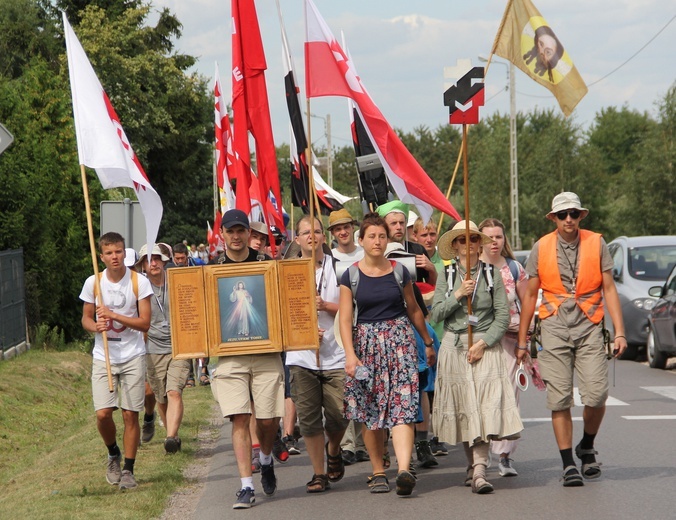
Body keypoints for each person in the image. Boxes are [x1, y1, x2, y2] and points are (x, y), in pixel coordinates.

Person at [516, 192, 628, 486]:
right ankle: (568, 464)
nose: (569, 219)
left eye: (574, 214)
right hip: (553, 326)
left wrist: (619, 332)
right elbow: (529, 294)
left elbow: (610, 289)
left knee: (597, 394)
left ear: (581, 216)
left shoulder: (596, 242)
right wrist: (522, 341)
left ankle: (586, 446)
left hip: (590, 326)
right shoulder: (541, 247)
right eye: (563, 214)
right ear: (553, 218)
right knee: (560, 398)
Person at [338, 212, 435, 497]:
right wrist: (350, 355)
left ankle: (404, 469)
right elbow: (345, 319)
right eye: (372, 236)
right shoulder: (351, 275)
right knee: (371, 412)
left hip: (400, 343)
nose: (378, 241)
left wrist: (428, 342)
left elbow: (413, 308)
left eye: (382, 236)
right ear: (361, 240)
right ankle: (378, 470)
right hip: (366, 346)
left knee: (403, 406)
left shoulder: (399, 271)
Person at [430, 220, 523, 495]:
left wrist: (483, 343)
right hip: (454, 346)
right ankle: (472, 465)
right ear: (455, 246)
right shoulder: (445, 275)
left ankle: (481, 470)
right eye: (462, 240)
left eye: (473, 239)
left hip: (484, 347)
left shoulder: (491, 274)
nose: (468, 245)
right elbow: (435, 314)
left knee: (482, 408)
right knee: (464, 408)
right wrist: (458, 294)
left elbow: (502, 316)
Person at [209, 209, 284, 509]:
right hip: (230, 356)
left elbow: (281, 302)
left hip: (266, 351)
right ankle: (245, 485)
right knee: (239, 417)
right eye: (231, 231)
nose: (237, 236)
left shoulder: (266, 264)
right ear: (223, 234)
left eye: (241, 231)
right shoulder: (212, 268)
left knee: (267, 420)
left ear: (248, 234)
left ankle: (265, 458)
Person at [79, 232, 152, 490]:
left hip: (133, 354)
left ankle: (129, 469)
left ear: (124, 253)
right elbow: (85, 318)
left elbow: (145, 322)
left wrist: (114, 315)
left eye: (119, 251)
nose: (115, 257)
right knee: (102, 414)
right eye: (109, 253)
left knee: (131, 415)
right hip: (104, 355)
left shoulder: (139, 282)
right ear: (102, 256)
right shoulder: (93, 282)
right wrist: (95, 326)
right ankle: (113, 453)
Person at [285, 215, 348, 493]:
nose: (312, 236)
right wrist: (305, 329)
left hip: (336, 354)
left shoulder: (341, 268)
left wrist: (327, 307)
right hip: (301, 356)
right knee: (309, 419)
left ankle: (333, 448)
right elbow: (279, 314)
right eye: (305, 232)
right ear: (297, 239)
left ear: (325, 237)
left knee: (341, 414)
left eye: (317, 231)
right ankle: (319, 473)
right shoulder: (286, 271)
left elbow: (351, 310)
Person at [479, 218, 528, 477]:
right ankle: (481, 454)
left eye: (498, 236)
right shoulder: (472, 269)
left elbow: (527, 305)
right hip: (481, 343)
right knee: (484, 396)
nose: (494, 242)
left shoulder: (514, 268)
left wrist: (523, 342)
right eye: (488, 237)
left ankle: (506, 455)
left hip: (509, 342)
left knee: (509, 397)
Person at [135, 243, 191, 454]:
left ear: (164, 260)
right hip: (153, 348)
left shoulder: (177, 280)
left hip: (180, 346)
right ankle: (172, 436)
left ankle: (169, 436)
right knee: (161, 397)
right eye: (148, 260)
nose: (154, 263)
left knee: (174, 391)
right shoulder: (140, 289)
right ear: (143, 265)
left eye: (157, 258)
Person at [376, 200, 437, 286]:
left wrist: (432, 270)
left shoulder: (417, 250)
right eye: (393, 223)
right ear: (384, 226)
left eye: (401, 223)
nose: (399, 227)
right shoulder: (377, 251)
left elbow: (431, 287)